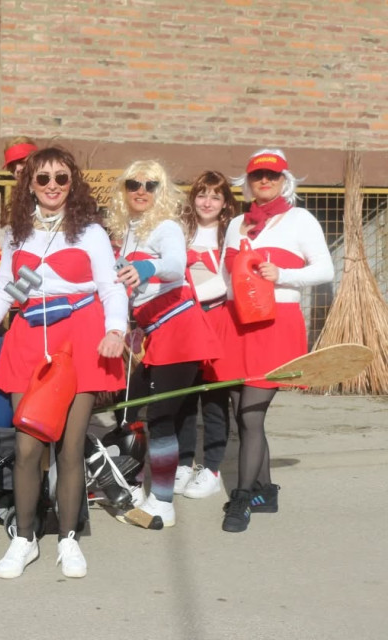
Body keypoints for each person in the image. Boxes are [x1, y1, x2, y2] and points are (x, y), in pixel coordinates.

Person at [0, 146, 127, 579]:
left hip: (81, 337)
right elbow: (6, 288)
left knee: (70, 448)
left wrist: (116, 330)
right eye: (43, 178)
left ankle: (68, 539)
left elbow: (111, 286)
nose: (52, 186)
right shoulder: (17, 234)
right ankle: (24, 538)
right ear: (30, 184)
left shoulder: (89, 232)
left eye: (61, 178)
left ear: (72, 183)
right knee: (27, 447)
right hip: (28, 338)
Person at [218, 149, 333, 532]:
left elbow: (325, 270)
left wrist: (281, 274)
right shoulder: (237, 224)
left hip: (276, 325)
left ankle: (241, 500)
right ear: (248, 182)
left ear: (285, 181)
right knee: (242, 414)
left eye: (272, 175)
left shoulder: (300, 220)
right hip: (235, 325)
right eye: (257, 176)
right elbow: (224, 279)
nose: (264, 181)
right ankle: (265, 491)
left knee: (252, 414)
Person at [107, 160, 223, 528]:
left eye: (151, 184)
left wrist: (146, 268)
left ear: (162, 191)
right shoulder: (129, 231)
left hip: (180, 330)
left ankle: (162, 501)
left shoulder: (166, 227)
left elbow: (174, 264)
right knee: (127, 405)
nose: (141, 191)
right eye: (133, 183)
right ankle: (137, 481)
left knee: (159, 417)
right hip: (155, 332)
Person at [172, 171, 238, 499]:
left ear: (225, 203)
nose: (207, 202)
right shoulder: (179, 232)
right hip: (182, 323)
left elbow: (230, 282)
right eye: (202, 194)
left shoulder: (231, 234)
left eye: (215, 196)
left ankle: (211, 469)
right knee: (183, 398)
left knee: (213, 399)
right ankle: (184, 463)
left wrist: (196, 292)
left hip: (218, 323)